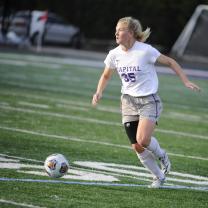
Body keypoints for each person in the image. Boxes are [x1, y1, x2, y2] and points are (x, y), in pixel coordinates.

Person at [91, 17, 201, 188]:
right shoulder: (114, 54)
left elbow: (171, 62)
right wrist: (99, 91)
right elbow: (106, 75)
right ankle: (158, 177)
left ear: (131, 32)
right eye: (116, 29)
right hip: (127, 101)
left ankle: (162, 155)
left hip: (149, 100)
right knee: (136, 146)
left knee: (143, 139)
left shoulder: (145, 50)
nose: (116, 33)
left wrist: (185, 81)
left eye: (120, 29)